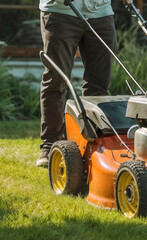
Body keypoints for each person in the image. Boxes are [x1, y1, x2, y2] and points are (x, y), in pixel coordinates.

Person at [36, 0, 117, 167]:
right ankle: (51, 145)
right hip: (60, 10)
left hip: (100, 12)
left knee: (99, 85)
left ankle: (94, 144)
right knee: (56, 81)